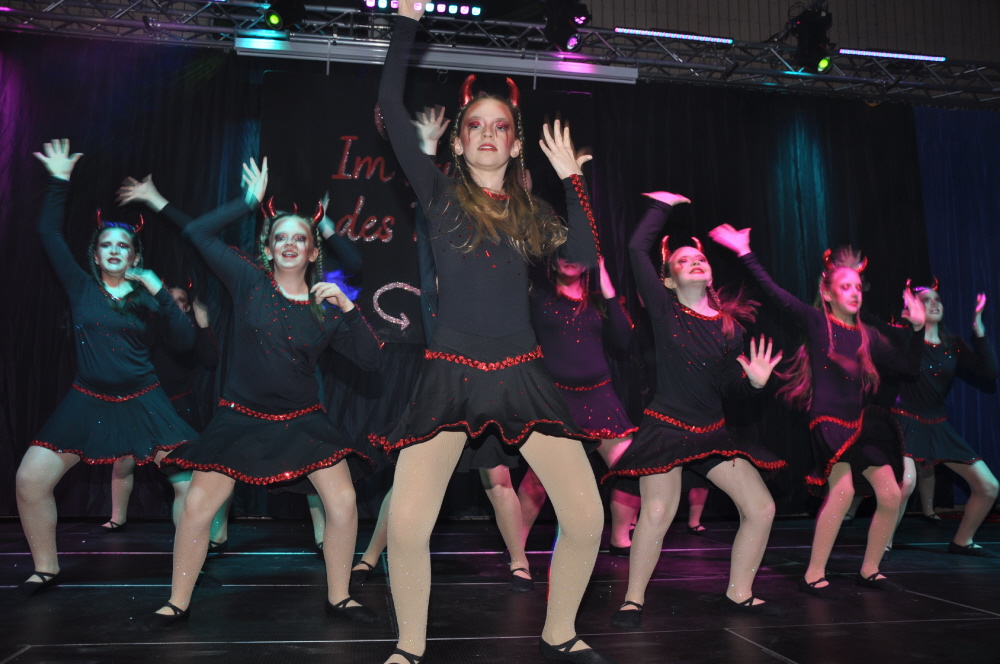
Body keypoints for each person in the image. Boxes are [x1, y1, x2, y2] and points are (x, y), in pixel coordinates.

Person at [371, 5, 613, 663]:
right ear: (457, 143)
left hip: (522, 375)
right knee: (408, 525)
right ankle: (410, 648)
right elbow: (390, 107)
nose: (486, 133)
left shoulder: (531, 213)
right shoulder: (439, 195)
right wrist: (406, 25)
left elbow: (583, 257)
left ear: (513, 145)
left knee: (586, 516)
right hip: (450, 373)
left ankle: (560, 630)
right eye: (474, 125)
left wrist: (573, 179)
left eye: (499, 126)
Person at [141, 157, 382, 627]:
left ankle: (339, 596)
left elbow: (372, 362)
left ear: (312, 252)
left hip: (304, 420)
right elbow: (198, 233)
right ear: (268, 249)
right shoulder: (249, 280)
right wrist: (247, 202)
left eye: (300, 238)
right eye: (280, 237)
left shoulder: (325, 308)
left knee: (344, 502)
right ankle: (177, 601)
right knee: (197, 507)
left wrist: (350, 309)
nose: (289, 243)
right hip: (240, 416)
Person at [16, 139, 197, 595]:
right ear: (95, 255)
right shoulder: (81, 288)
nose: (115, 250)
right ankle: (46, 567)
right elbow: (49, 234)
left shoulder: (147, 298)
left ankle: (186, 570)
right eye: (107, 245)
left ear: (134, 256)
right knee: (30, 480)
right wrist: (59, 181)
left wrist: (158, 289)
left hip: (144, 400)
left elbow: (186, 341)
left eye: (124, 246)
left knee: (191, 483)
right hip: (88, 400)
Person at [710, 225, 925, 594]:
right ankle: (813, 572)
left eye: (858, 287)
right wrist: (744, 251)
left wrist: (918, 330)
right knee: (842, 492)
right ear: (827, 293)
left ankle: (869, 569)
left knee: (892, 493)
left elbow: (910, 366)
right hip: (828, 423)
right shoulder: (817, 322)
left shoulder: (868, 336)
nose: (854, 292)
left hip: (861, 425)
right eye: (845, 286)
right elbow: (776, 295)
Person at [604, 194, 784, 628]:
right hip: (667, 428)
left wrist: (754, 383)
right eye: (683, 261)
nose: (695, 262)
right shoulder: (664, 310)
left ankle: (739, 593)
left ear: (710, 273)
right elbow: (635, 250)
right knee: (658, 513)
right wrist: (660, 208)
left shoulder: (729, 328)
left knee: (761, 508)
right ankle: (633, 600)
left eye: (700, 258)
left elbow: (728, 386)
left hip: (711, 432)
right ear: (668, 280)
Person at [517, 255, 639, 556]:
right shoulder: (539, 297)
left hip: (600, 396)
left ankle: (620, 538)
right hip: (557, 399)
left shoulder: (599, 301)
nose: (570, 259)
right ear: (552, 260)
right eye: (564, 253)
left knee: (630, 468)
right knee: (538, 479)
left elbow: (623, 340)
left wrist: (606, 284)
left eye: (578, 254)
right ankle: (515, 545)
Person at [891, 284, 999, 556]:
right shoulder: (905, 339)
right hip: (905, 421)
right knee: (906, 483)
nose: (934, 304)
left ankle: (963, 541)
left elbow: (990, 372)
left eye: (937, 299)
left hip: (938, 425)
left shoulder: (953, 345)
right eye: (926, 300)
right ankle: (882, 542)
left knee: (989, 486)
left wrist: (978, 329)